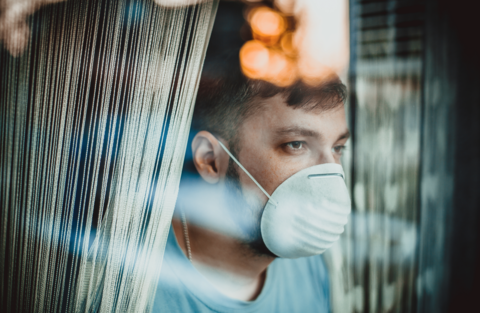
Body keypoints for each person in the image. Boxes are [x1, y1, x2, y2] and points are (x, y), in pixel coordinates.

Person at [151, 57, 351, 312]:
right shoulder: (129, 287)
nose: (328, 173)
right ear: (211, 159)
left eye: (338, 148)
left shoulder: (310, 264)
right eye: (296, 144)